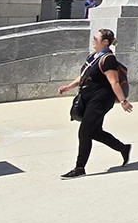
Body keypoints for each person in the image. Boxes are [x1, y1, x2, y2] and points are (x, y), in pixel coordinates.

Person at [56, 27, 132, 179]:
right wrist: (69, 87)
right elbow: (83, 76)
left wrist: (123, 101)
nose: (93, 41)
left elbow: (114, 82)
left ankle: (79, 168)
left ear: (105, 42)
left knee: (84, 132)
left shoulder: (108, 59)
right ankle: (123, 148)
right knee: (95, 131)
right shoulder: (93, 57)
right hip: (88, 98)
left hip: (101, 100)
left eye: (96, 39)